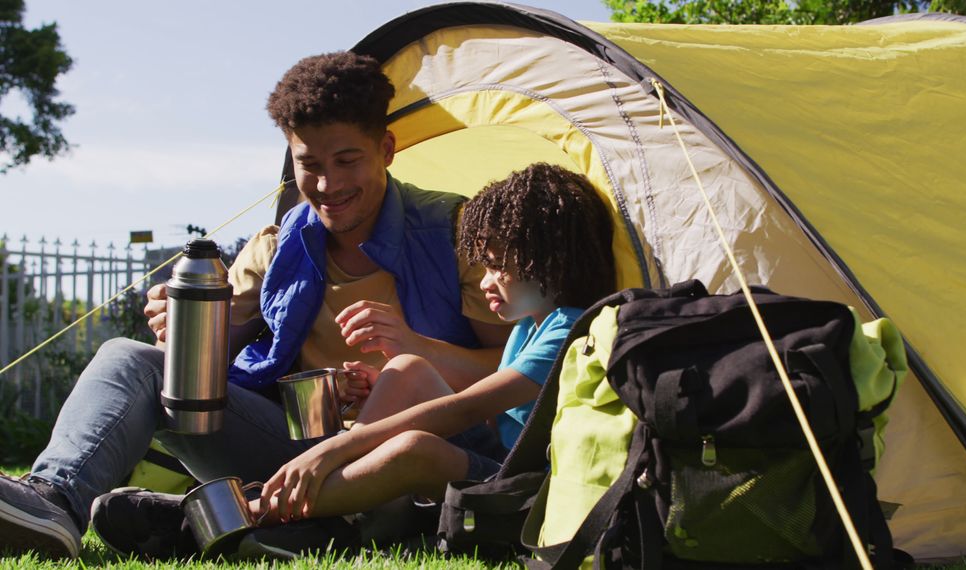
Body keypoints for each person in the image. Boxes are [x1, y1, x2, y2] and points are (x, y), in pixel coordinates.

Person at [0, 51, 511, 560]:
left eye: (347, 161)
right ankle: (54, 502)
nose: (328, 186)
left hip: (412, 458)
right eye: (309, 165)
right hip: (301, 447)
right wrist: (179, 332)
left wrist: (418, 348)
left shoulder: (454, 233)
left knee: (401, 404)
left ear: (387, 148)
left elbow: (515, 375)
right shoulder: (276, 245)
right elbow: (205, 363)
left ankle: (233, 519)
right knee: (128, 359)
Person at [95, 162, 618, 559]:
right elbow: (489, 418)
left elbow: (462, 413)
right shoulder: (529, 325)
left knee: (416, 447)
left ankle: (240, 516)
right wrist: (381, 390)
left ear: (549, 262)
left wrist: (340, 444)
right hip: (492, 457)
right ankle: (329, 515)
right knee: (405, 370)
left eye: (499, 267)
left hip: (520, 484)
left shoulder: (571, 328)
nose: (484, 283)